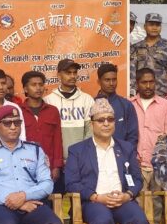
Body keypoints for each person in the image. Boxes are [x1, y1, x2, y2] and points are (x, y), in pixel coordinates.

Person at [65, 98, 151, 224]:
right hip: (94, 201)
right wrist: (96, 197)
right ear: (92, 123)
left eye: (110, 119)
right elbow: (71, 183)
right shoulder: (77, 150)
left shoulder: (126, 147)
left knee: (140, 220)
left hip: (122, 200)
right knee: (102, 221)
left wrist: (128, 195)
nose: (106, 124)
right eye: (101, 120)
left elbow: (137, 179)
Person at [44, 59, 94, 192]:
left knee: (78, 199)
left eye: (74, 72)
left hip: (80, 162)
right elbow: (48, 134)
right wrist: (56, 160)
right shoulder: (49, 100)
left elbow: (90, 131)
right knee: (55, 198)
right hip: (55, 164)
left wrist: (79, 157)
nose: (72, 76)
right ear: (58, 75)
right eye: (68, 73)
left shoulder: (87, 99)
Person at [19, 71, 64, 183]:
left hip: (48, 165)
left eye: (41, 84)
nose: (38, 88)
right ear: (25, 89)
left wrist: (56, 166)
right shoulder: (18, 111)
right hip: (24, 165)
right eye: (33, 85)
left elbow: (57, 140)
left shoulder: (52, 111)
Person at [95, 63, 138, 146]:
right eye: (107, 80)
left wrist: (125, 151)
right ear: (99, 81)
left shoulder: (126, 105)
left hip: (122, 153)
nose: (111, 83)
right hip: (97, 152)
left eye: (114, 79)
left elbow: (133, 136)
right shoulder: (92, 104)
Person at [130, 13, 167, 96]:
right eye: (151, 24)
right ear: (145, 26)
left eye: (157, 25)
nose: (154, 28)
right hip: (141, 94)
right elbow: (132, 72)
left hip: (162, 93)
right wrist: (132, 91)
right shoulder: (136, 47)